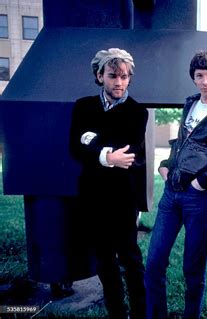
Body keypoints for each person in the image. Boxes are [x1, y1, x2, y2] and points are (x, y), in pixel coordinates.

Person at [145, 49, 207, 319]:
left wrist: (203, 182)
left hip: (198, 198)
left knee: (193, 267)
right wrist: (166, 165)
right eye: (199, 76)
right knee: (154, 263)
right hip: (170, 195)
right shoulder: (190, 103)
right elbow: (181, 144)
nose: (205, 81)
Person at [69, 48, 148, 319]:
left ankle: (140, 313)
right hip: (91, 196)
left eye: (124, 77)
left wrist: (94, 142)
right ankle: (117, 312)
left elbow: (129, 152)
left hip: (123, 198)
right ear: (99, 75)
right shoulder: (83, 106)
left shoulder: (137, 112)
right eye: (113, 76)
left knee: (130, 260)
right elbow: (74, 147)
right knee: (104, 261)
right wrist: (107, 155)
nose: (119, 82)